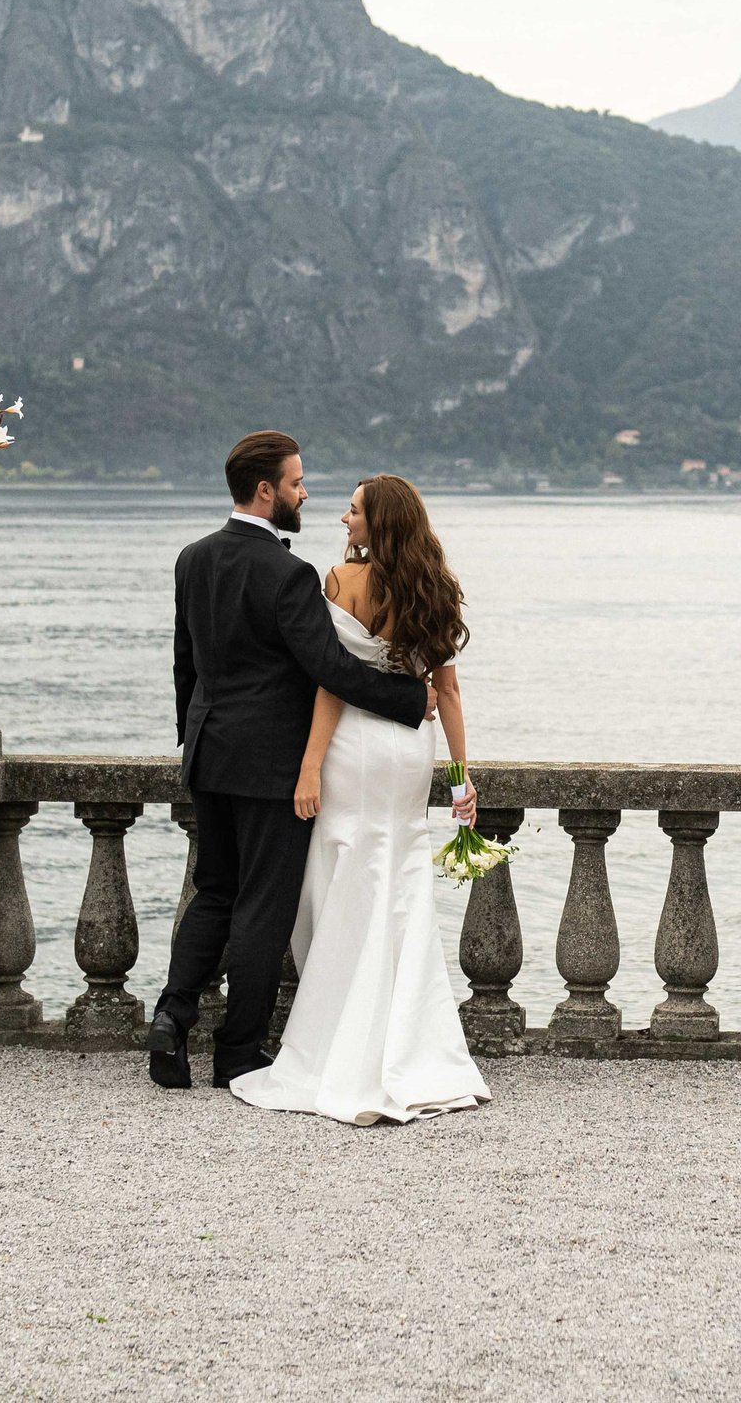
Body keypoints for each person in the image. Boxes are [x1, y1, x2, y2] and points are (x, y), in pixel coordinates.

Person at [149, 433, 433, 1091]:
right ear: (266, 490)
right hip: (272, 765)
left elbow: (184, 665)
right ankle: (238, 1053)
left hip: (209, 752)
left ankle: (171, 1017)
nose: (307, 494)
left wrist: (191, 740)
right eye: (298, 483)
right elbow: (329, 667)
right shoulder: (289, 574)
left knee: (214, 891)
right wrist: (408, 697)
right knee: (262, 907)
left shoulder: (192, 559)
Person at [228, 474, 490, 1125]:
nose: (344, 519)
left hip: (354, 747)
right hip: (409, 751)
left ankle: (342, 1042)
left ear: (381, 524)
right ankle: (414, 1049)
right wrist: (461, 777)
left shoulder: (342, 582)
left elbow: (331, 684)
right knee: (400, 880)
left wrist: (309, 766)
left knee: (344, 880)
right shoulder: (438, 588)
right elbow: (448, 693)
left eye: (353, 511)